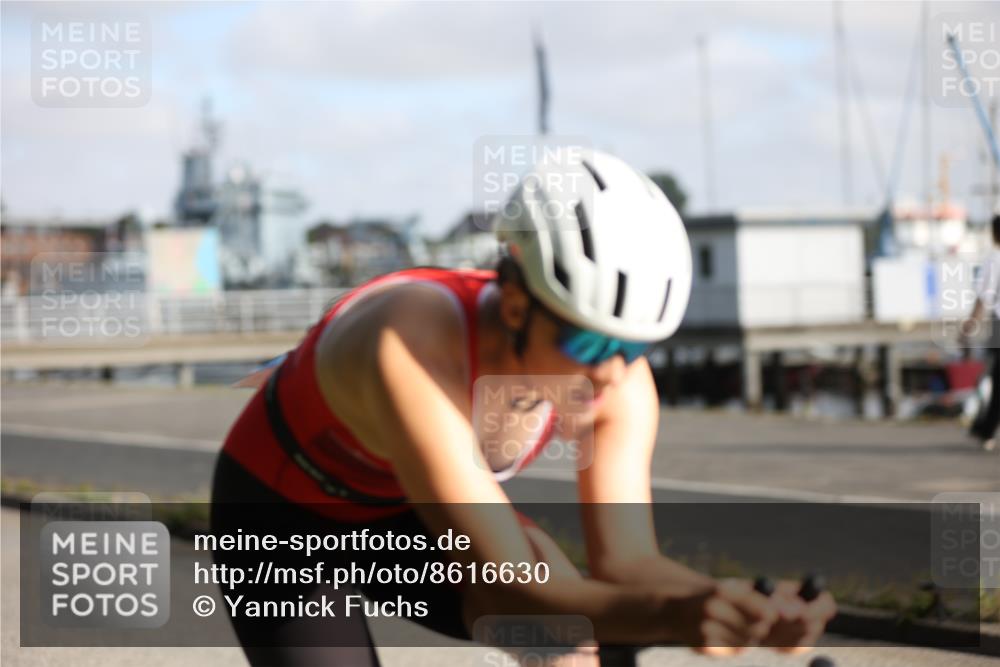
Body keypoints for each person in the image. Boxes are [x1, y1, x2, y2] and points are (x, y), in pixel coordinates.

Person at [210, 148, 835, 666]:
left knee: (567, 643)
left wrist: (736, 603)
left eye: (635, 347)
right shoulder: (410, 341)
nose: (609, 371)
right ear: (514, 304)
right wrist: (675, 615)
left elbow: (625, 561)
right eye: (588, 340)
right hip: (281, 515)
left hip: (402, 509)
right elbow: (513, 584)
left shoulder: (620, 384)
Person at [961, 213, 1000, 452]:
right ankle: (984, 427)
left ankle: (985, 429)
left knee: (996, 381)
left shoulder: (994, 260)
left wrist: (969, 326)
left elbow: (983, 298)